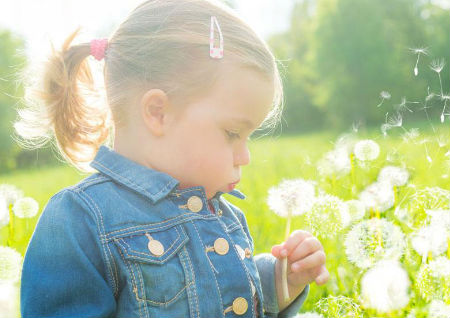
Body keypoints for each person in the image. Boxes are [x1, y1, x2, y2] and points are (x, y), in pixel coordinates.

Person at [16, 0, 329, 317]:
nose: (245, 156)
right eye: (233, 133)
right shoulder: (78, 221)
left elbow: (223, 295)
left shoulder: (222, 214)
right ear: (158, 112)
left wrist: (278, 282)